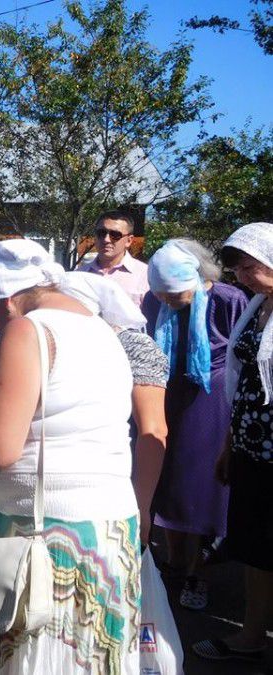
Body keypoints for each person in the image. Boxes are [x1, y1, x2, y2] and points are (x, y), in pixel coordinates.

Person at [0, 239, 141, 674]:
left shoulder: (27, 330)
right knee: (92, 656)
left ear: (7, 299)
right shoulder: (101, 328)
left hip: (47, 531)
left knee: (40, 655)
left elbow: (0, 446)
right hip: (110, 527)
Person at [144, 239, 247, 610]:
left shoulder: (229, 299)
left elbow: (243, 355)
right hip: (168, 391)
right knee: (170, 481)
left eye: (175, 293)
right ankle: (174, 561)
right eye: (162, 294)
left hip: (213, 395)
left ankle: (198, 571)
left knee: (204, 486)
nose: (168, 300)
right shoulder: (154, 300)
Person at [193, 222, 273, 664]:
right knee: (254, 547)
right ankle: (252, 634)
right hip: (250, 447)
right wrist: (228, 446)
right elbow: (241, 385)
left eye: (249, 266)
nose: (242, 276)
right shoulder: (257, 306)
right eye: (237, 268)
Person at [63, 272, 169, 548]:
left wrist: (141, 504)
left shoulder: (134, 346)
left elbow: (153, 430)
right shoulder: (55, 342)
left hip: (116, 475)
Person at [81, 210, 150, 306]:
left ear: (129, 240)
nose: (106, 239)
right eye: (101, 233)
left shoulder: (145, 276)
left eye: (115, 235)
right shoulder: (80, 275)